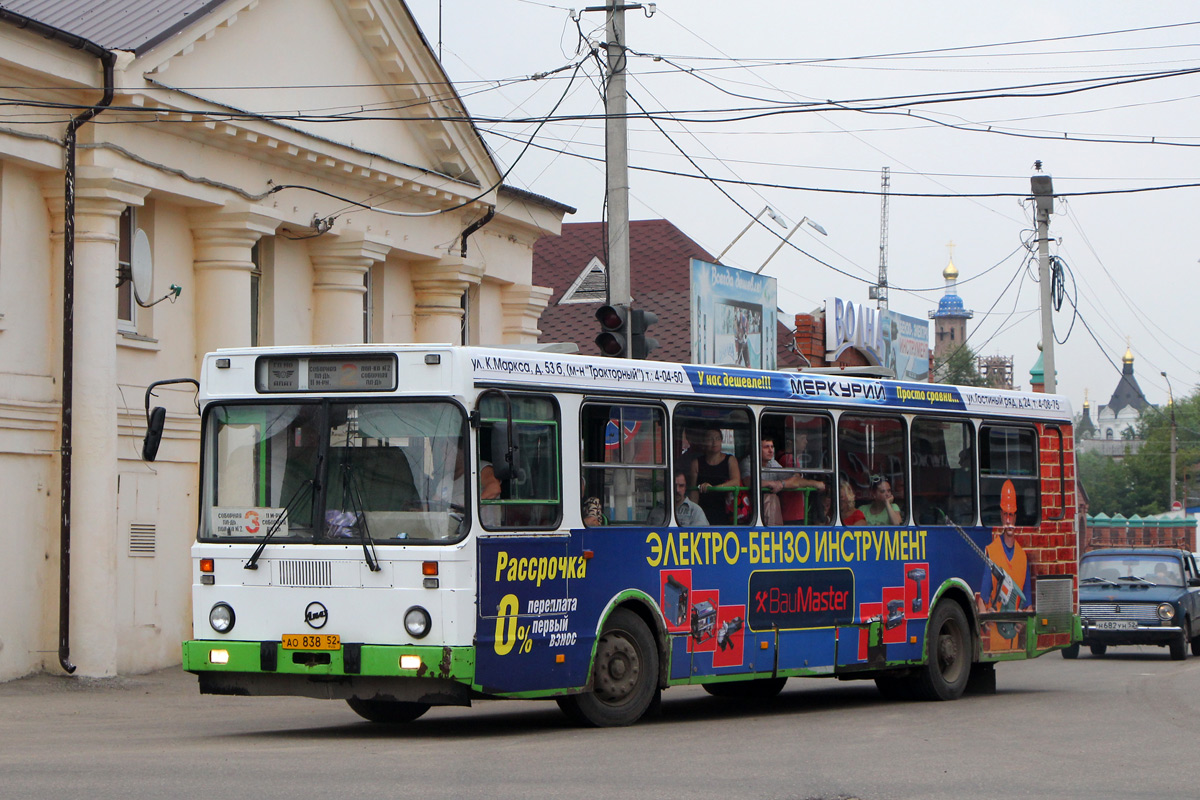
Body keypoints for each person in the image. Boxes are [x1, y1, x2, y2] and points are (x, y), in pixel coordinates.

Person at [976, 479, 1031, 651]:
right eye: (1006, 515)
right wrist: (986, 617)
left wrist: (1022, 622)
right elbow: (982, 601)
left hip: (1016, 644)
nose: (1009, 520)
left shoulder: (1023, 556)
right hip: (996, 640)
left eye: (1012, 515)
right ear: (1001, 516)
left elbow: (1028, 605)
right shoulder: (991, 552)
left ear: (1016, 516)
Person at [742, 435, 824, 526]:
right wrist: (771, 483)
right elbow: (748, 481)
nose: (770, 450)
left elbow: (795, 480)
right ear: (756, 449)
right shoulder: (747, 462)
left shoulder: (772, 463)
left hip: (769, 511)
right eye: (766, 447)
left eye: (772, 447)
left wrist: (782, 484)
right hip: (750, 510)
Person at [690, 427, 740, 525]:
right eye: (710, 439)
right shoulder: (696, 463)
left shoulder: (730, 460)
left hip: (725, 507)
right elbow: (693, 490)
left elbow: (736, 482)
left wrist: (714, 488)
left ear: (721, 441)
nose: (714, 442)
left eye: (717, 438)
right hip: (703, 508)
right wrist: (693, 512)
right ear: (704, 442)